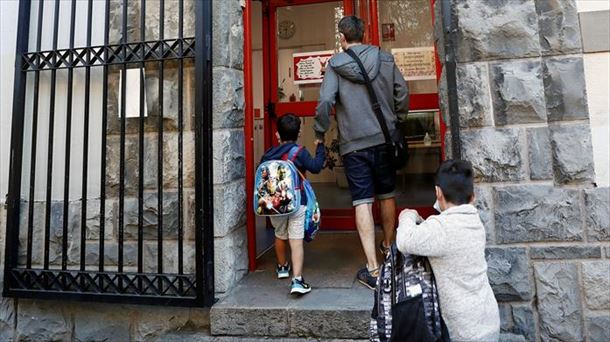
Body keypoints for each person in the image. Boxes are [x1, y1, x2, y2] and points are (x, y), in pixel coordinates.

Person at [313, 15, 408, 289]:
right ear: (363, 34)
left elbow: (324, 102)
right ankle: (389, 249)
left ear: (342, 38)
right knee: (387, 193)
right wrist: (397, 119)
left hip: (354, 144)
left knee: (362, 201)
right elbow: (402, 92)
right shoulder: (385, 59)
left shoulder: (335, 66)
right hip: (384, 140)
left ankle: (373, 269)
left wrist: (319, 132)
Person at [396, 160, 500, 341]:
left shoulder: (441, 228)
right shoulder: (474, 221)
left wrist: (407, 215)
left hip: (464, 331)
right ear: (473, 197)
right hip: (488, 320)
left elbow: (404, 241)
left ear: (438, 193)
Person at [260, 114, 325, 295]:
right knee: (296, 241)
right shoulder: (299, 152)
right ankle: (297, 280)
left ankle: (282, 268)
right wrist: (320, 147)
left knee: (280, 235)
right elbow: (316, 166)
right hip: (297, 203)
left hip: (275, 204)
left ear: (277, 135)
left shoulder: (268, 154)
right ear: (299, 132)